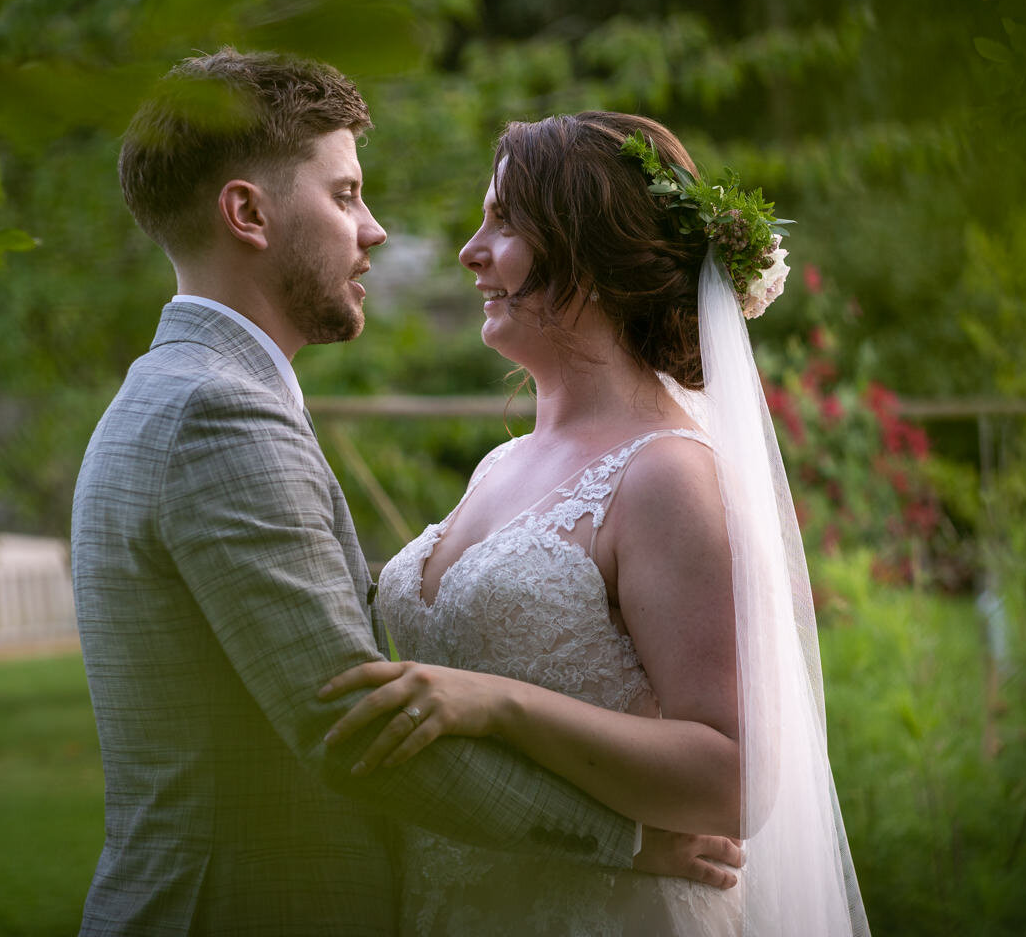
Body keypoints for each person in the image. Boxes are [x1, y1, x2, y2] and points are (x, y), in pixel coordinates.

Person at [71, 53, 735, 936]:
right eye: (344, 194)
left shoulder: (175, 391)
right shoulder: (217, 412)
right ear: (247, 212)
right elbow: (355, 728)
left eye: (504, 220)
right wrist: (622, 839)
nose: (378, 229)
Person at [321, 112, 870, 935]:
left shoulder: (668, 476)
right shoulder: (500, 465)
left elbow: (736, 781)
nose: (471, 251)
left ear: (590, 256)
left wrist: (498, 703)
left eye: (504, 223)